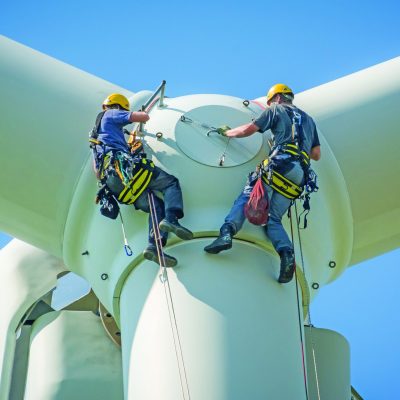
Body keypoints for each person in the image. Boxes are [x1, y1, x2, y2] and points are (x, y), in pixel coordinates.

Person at [204, 84, 321, 283]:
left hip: (279, 164)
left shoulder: (275, 110)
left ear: (275, 98)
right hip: (299, 176)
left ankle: (226, 233)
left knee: (247, 197)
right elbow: (316, 155)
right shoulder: (309, 120)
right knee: (273, 219)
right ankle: (286, 253)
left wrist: (227, 133)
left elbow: (248, 130)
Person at [90, 93, 193, 267]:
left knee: (155, 206)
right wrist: (139, 114)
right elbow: (143, 117)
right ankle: (172, 219)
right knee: (170, 183)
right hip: (124, 169)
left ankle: (154, 247)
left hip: (114, 183)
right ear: (118, 106)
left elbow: (97, 173)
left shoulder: (95, 135)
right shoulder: (112, 114)